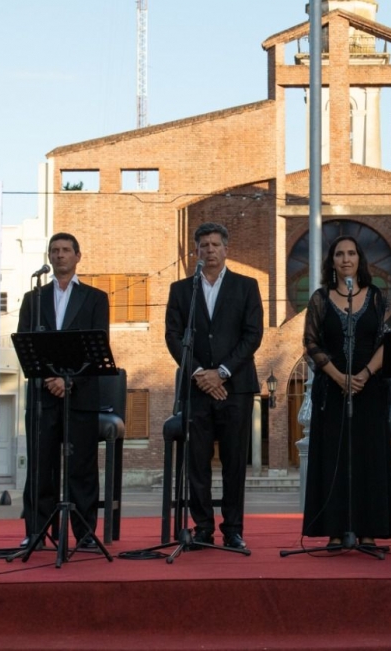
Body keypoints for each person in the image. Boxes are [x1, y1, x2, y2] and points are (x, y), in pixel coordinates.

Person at [165, 222, 264, 551]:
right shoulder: (183, 290)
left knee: (235, 462)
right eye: (203, 245)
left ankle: (233, 529)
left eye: (215, 245)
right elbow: (173, 336)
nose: (209, 250)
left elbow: (253, 335)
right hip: (197, 390)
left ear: (226, 249)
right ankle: (203, 527)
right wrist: (198, 374)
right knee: (197, 462)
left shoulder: (246, 286)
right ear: (196, 251)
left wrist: (221, 373)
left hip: (235, 388)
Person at [302, 235, 391, 548]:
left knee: (368, 457)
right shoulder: (319, 298)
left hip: (370, 389)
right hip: (331, 390)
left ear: (360, 260)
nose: (346, 259)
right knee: (333, 456)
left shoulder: (375, 297)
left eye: (351, 253)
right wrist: (338, 376)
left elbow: (387, 340)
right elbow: (311, 343)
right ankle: (335, 529)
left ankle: (368, 529)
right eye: (339, 254)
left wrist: (366, 373)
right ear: (332, 261)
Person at [18, 232, 110, 549]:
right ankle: (37, 532)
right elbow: (26, 344)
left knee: (81, 467)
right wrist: (47, 378)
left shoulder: (96, 298)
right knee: (41, 467)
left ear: (78, 256)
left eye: (66, 250)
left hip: (80, 396)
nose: (59, 255)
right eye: (54, 250)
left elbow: (96, 350)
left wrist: (69, 380)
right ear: (48, 257)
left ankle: (84, 534)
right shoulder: (34, 298)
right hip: (42, 397)